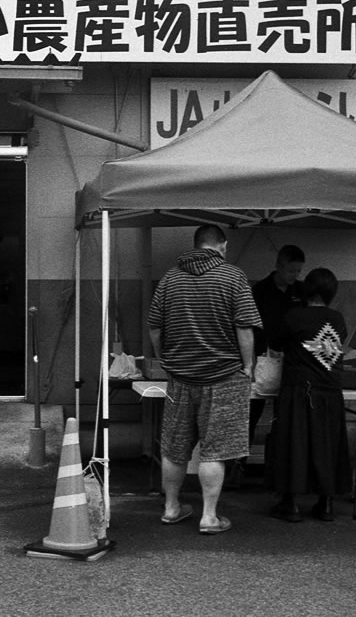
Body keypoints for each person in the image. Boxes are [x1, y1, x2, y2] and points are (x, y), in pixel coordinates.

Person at [148, 224, 261, 535]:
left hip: (180, 376)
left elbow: (155, 326)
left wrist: (164, 359)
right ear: (222, 246)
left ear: (196, 245)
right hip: (224, 377)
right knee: (216, 449)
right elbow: (244, 326)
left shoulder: (170, 278)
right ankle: (208, 516)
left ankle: (172, 508)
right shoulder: (233, 276)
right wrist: (248, 366)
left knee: (174, 446)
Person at [267, 267, 352, 523]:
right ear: (331, 292)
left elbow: (276, 344)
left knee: (294, 444)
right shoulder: (337, 319)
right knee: (327, 444)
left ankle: (290, 503)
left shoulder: (294, 316)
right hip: (330, 390)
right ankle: (326, 503)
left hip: (298, 389)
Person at [249, 245, 306, 439]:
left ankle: (280, 460)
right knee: (253, 411)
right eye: (291, 270)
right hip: (263, 357)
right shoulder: (260, 291)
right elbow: (250, 328)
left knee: (285, 415)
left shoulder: (301, 290)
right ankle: (240, 463)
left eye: (298, 271)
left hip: (292, 359)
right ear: (278, 265)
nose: (294, 275)